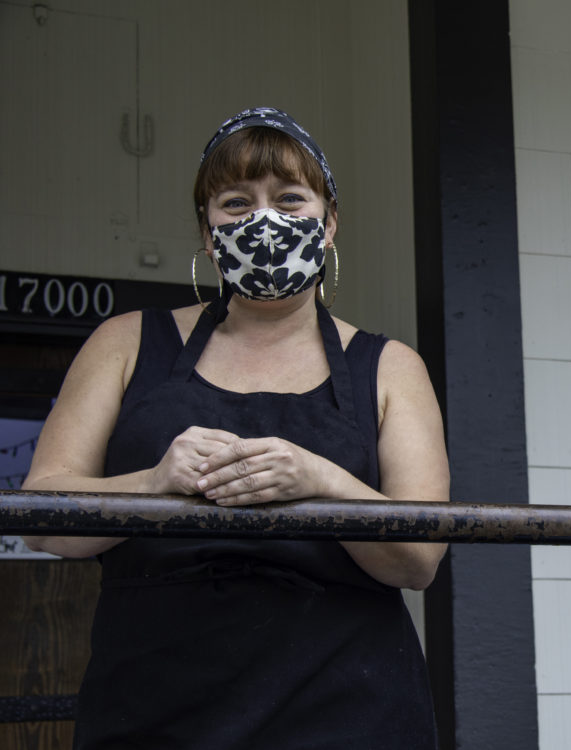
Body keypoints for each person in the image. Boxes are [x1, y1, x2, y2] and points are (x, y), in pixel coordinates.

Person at [22, 107, 448, 749]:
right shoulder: (125, 343)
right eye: (235, 202)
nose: (264, 219)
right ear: (206, 228)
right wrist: (153, 483)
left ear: (329, 223)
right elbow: (41, 518)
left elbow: (419, 560)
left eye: (289, 198)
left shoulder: (391, 367)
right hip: (153, 704)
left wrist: (321, 482)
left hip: (346, 707)